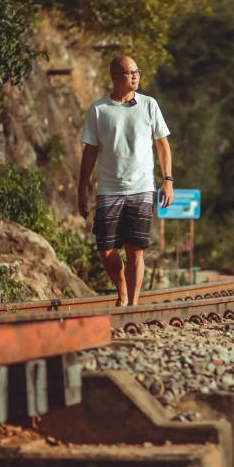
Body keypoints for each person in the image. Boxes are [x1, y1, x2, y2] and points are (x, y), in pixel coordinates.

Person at [78, 56, 173, 306]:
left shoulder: (149, 105)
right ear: (116, 76)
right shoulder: (99, 110)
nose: (136, 76)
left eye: (137, 72)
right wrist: (82, 188)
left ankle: (132, 305)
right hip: (109, 189)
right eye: (131, 73)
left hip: (142, 188)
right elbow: (89, 151)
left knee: (135, 250)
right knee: (106, 249)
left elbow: (162, 145)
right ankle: (121, 290)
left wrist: (168, 180)